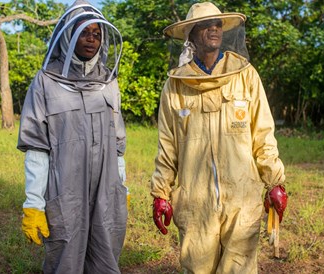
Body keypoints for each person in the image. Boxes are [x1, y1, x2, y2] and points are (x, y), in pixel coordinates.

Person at [150, 2, 288, 273]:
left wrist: (275, 182)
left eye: (217, 24)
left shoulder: (245, 75)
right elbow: (167, 144)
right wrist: (160, 193)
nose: (213, 29)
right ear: (190, 34)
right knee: (197, 268)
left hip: (241, 196)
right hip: (195, 200)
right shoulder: (176, 85)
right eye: (204, 25)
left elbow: (263, 133)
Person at [17, 1, 127, 272]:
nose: (92, 39)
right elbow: (36, 147)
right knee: (65, 260)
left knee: (105, 256)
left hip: (105, 190)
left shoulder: (109, 83)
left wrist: (121, 188)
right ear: (68, 35)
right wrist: (33, 202)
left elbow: (117, 146)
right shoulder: (45, 81)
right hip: (65, 191)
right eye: (84, 32)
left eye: (97, 33)